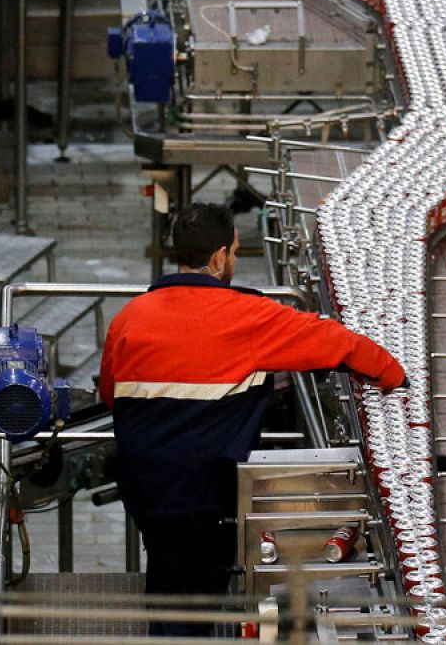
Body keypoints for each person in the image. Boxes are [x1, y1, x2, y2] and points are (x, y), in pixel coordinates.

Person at [98, 203, 407, 637]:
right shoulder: (250, 316)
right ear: (218, 257)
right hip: (205, 496)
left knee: (168, 573)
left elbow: (110, 394)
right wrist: (396, 376)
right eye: (236, 252)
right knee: (194, 602)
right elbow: (337, 343)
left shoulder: (130, 317)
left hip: (144, 488)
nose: (234, 261)